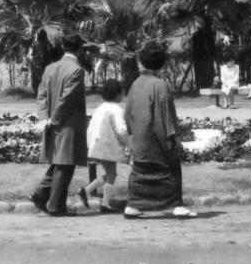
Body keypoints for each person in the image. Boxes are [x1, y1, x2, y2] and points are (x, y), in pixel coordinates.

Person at [123, 42, 196, 218]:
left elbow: (127, 114)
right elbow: (166, 118)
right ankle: (176, 205)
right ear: (162, 63)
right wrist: (174, 140)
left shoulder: (135, 84)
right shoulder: (160, 85)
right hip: (157, 141)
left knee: (140, 173)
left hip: (139, 141)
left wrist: (134, 136)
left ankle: (134, 205)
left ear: (142, 62)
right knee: (171, 170)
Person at [29, 34, 88, 217]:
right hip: (67, 123)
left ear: (64, 47)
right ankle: (56, 206)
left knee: (60, 162)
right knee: (65, 164)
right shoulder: (77, 70)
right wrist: (54, 119)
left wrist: (45, 117)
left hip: (53, 121)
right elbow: (67, 99)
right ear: (80, 49)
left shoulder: (50, 68)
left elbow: (42, 95)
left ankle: (41, 195)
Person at [80, 79, 130, 213]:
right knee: (112, 174)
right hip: (107, 145)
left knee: (109, 173)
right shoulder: (116, 110)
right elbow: (119, 129)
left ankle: (86, 191)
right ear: (118, 94)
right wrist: (129, 143)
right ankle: (105, 204)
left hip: (96, 144)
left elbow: (90, 128)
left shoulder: (100, 108)